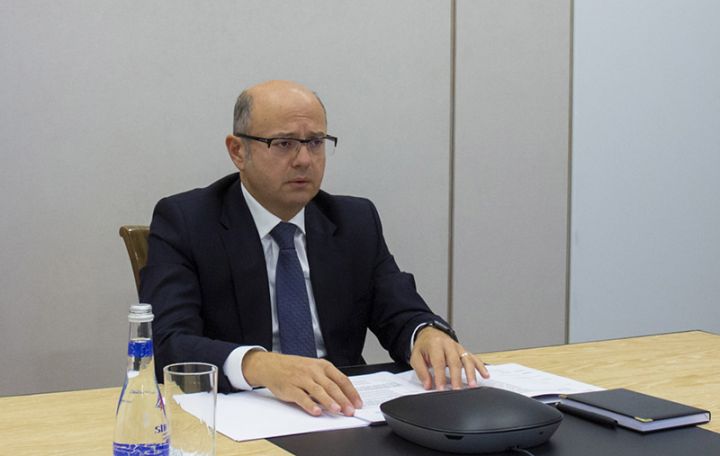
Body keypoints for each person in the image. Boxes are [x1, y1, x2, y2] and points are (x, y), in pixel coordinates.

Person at [141, 80, 489, 417]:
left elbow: (399, 311)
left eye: (315, 142)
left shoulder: (354, 220)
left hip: (341, 412)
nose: (304, 159)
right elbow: (168, 342)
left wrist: (424, 333)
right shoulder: (187, 222)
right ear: (238, 151)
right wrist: (260, 365)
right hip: (243, 414)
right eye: (284, 143)